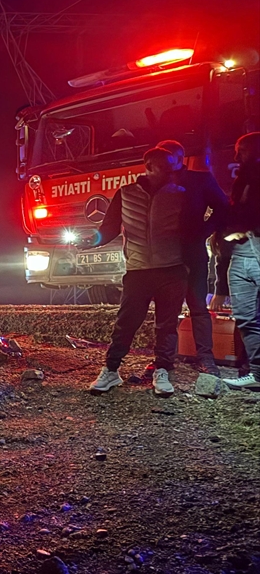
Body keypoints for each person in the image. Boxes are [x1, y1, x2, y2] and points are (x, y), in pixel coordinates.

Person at [87, 147, 187, 397]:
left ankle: (162, 370)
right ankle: (111, 371)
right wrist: (92, 240)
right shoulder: (126, 193)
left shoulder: (180, 194)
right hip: (138, 270)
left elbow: (191, 228)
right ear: (149, 167)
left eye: (171, 166)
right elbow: (109, 227)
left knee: (167, 324)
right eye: (165, 166)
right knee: (126, 322)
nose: (170, 171)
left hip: (172, 269)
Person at [155, 139, 230, 374]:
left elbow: (223, 207)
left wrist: (203, 231)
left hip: (191, 252)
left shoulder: (200, 180)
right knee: (166, 309)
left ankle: (205, 359)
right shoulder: (154, 183)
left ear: (179, 158)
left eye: (167, 158)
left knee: (197, 306)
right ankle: (163, 360)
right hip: (164, 255)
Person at [220, 132, 260, 389]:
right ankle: (256, 374)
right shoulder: (243, 177)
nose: (237, 156)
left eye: (242, 150)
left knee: (250, 316)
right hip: (241, 251)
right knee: (246, 316)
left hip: (255, 245)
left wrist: (245, 228)